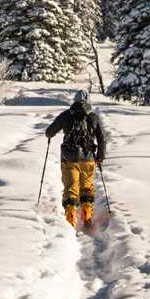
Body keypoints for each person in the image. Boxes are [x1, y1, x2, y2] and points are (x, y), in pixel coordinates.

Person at [45, 90, 106, 229]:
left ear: (74, 100)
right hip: (88, 158)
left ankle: (70, 222)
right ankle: (87, 216)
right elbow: (102, 139)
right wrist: (100, 157)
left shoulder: (66, 115)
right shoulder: (93, 117)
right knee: (87, 188)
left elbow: (49, 132)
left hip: (69, 158)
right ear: (88, 101)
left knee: (71, 189)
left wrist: (50, 135)